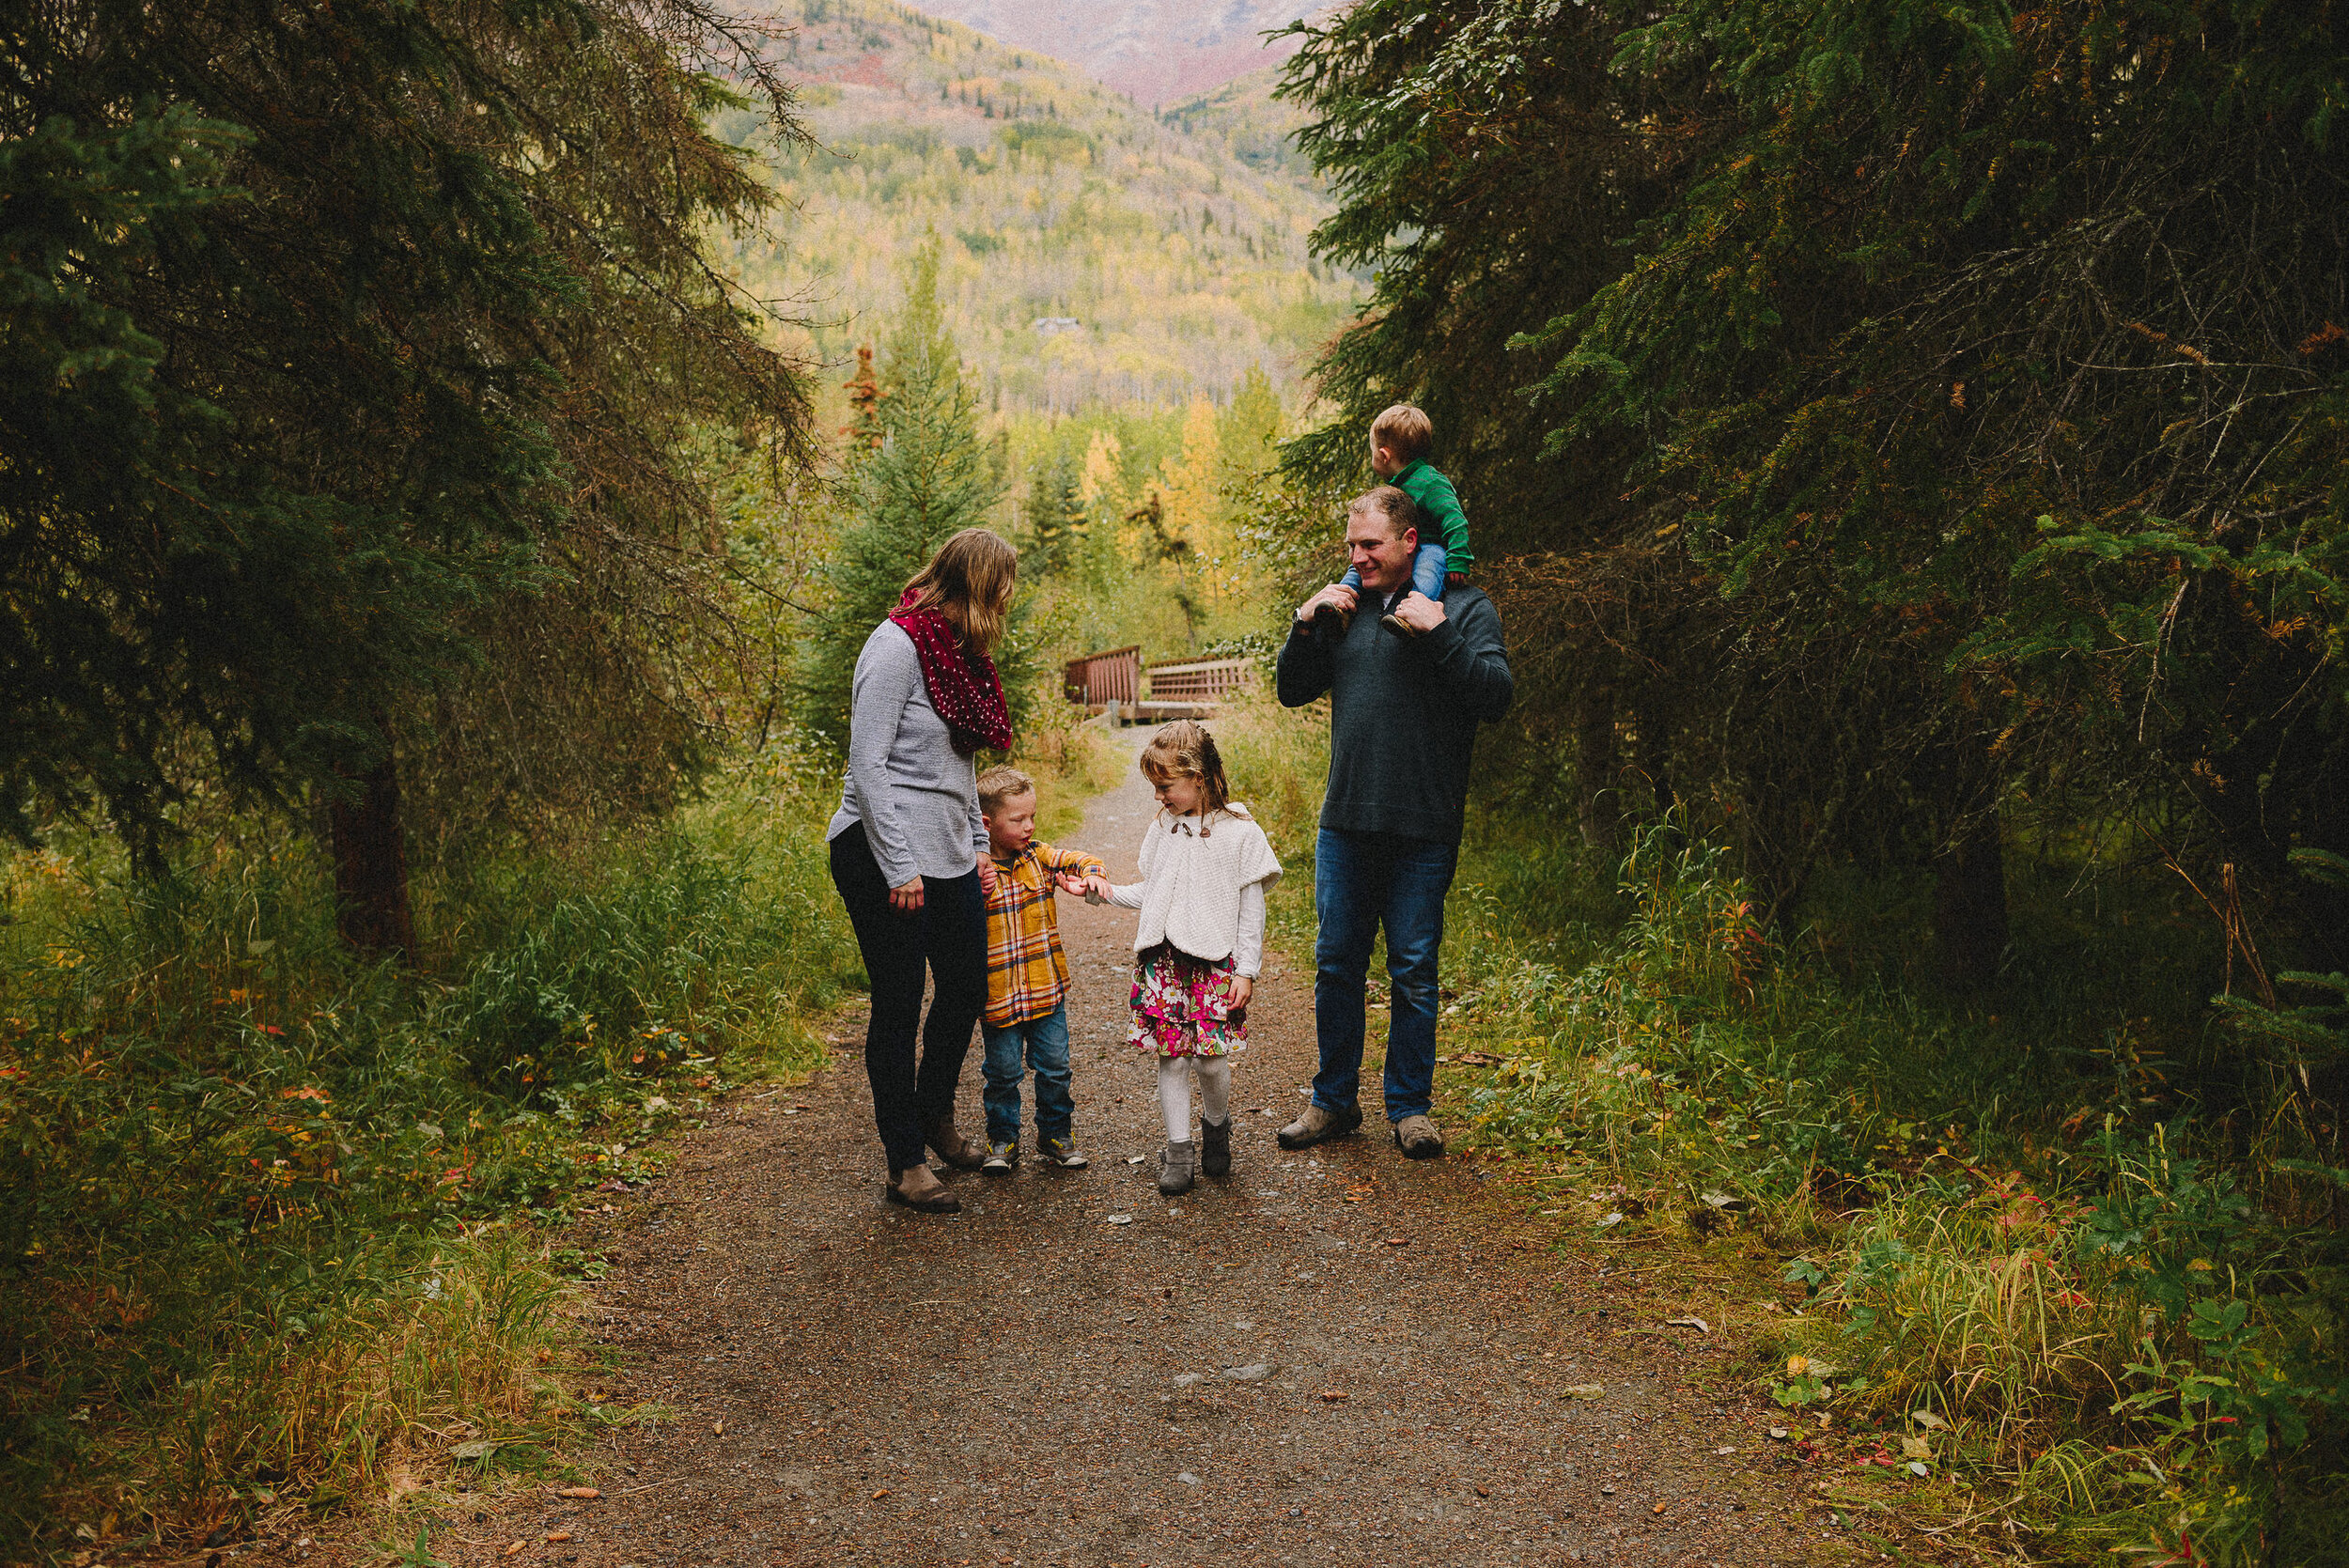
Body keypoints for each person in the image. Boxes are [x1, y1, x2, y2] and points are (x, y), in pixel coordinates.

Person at [1276, 487, 1513, 1159]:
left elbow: (1494, 696)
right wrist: (1304, 621)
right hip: (1345, 822)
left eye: (1370, 545)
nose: (1358, 557)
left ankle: (1410, 1109)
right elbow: (1292, 688)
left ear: (1410, 540)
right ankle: (1332, 1101)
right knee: (1336, 963)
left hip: (1424, 826)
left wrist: (1438, 632)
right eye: (1352, 546)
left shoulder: (1463, 607)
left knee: (1413, 969)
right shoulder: (1344, 611)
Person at [827, 528, 1019, 1214]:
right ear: (974, 582)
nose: (1006, 599)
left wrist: (975, 845)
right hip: (878, 850)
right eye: (1001, 585)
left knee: (966, 983)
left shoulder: (959, 656)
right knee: (900, 1000)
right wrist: (898, 864)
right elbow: (868, 764)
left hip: (942, 851)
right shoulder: (897, 645)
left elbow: (959, 769)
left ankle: (934, 1114)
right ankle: (904, 1160)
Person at [1088, 722, 1283, 1198]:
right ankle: (1178, 1151)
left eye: (1164, 786)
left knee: (1212, 1064)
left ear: (1199, 777)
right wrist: (1106, 893)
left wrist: (1247, 970)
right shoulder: (1163, 829)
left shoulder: (1241, 832)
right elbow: (1155, 892)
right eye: (1154, 787)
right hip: (1165, 964)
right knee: (1171, 1060)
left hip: (1215, 966)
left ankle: (1216, 1126)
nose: (1158, 797)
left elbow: (1251, 910)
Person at [973, 764, 1110, 1175]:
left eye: (1032, 816)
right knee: (1002, 1074)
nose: (1029, 826)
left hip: (1047, 991)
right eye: (1018, 819)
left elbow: (1080, 858)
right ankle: (1002, 1138)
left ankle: (1055, 1134)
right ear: (986, 823)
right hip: (998, 995)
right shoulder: (974, 871)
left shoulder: (1037, 858)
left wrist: (1092, 876)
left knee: (1055, 1068)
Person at [1329, 404, 1474, 637]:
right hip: (1405, 546)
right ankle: (1339, 607)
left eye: (1373, 452)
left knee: (1428, 571)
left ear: (1384, 455)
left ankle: (1413, 617)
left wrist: (1457, 559)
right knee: (1356, 567)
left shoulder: (1431, 482)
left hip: (1429, 545)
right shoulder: (1395, 486)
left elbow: (1455, 521)